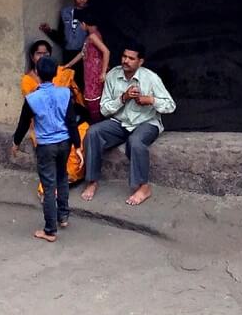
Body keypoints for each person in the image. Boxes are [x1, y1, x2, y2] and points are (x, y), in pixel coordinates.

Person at [80, 46, 175, 207]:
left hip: (146, 122)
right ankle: (92, 181)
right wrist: (122, 98)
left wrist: (150, 100)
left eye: (131, 58)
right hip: (120, 122)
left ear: (140, 62)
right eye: (124, 56)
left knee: (136, 142)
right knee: (93, 132)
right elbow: (104, 108)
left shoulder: (151, 78)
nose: (126, 61)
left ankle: (143, 187)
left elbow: (170, 105)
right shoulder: (113, 75)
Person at [10, 56, 83, 242]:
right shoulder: (65, 93)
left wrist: (16, 143)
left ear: (37, 73)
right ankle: (63, 216)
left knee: (49, 186)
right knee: (62, 178)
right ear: (55, 73)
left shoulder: (32, 98)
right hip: (65, 142)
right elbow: (71, 122)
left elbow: (23, 124)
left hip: (45, 146)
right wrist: (78, 145)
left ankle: (50, 230)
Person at [20, 40, 89, 187]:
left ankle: (68, 179)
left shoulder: (61, 73)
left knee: (80, 136)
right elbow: (30, 110)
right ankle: (57, 185)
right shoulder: (27, 80)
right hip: (43, 124)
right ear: (32, 57)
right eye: (39, 53)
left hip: (66, 120)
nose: (43, 56)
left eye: (46, 53)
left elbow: (76, 100)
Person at [38, 0, 93, 68]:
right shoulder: (65, 12)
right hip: (68, 55)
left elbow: (97, 36)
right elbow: (61, 37)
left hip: (86, 56)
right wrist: (49, 31)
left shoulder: (92, 13)